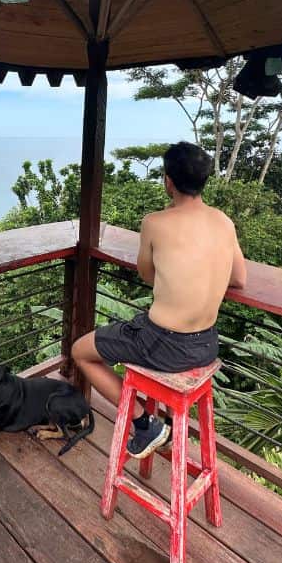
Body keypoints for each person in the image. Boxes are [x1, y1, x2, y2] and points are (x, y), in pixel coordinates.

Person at [72, 141, 247, 458]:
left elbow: (147, 274)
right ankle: (164, 420)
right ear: (204, 180)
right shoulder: (223, 221)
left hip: (164, 344)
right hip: (207, 344)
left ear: (168, 180)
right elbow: (239, 278)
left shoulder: (155, 223)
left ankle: (145, 424)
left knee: (80, 351)